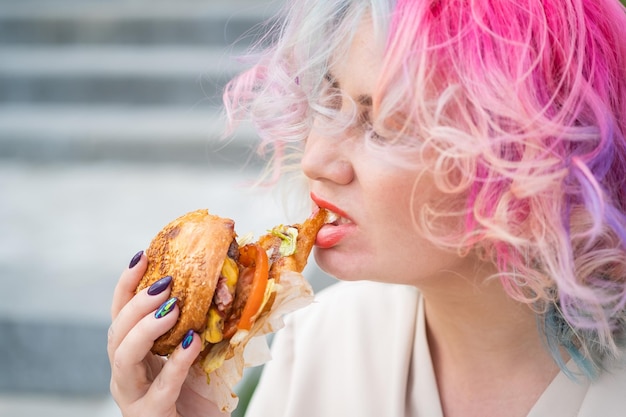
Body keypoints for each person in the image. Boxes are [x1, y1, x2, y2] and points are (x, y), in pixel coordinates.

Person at [107, 0, 626, 415]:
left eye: (381, 124)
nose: (315, 160)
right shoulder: (314, 346)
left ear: (526, 162)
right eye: (331, 101)